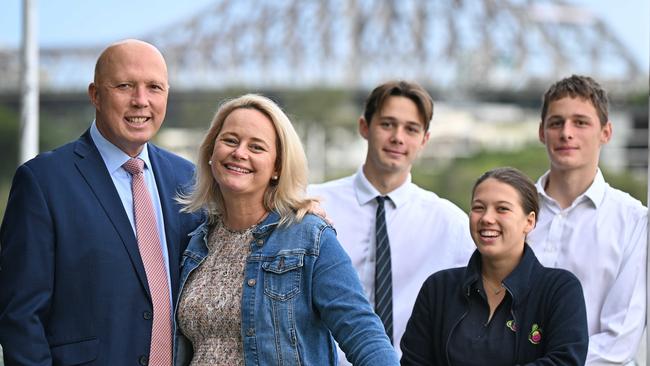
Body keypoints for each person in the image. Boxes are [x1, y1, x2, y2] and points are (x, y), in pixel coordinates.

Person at [0, 39, 200, 365]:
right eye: (125, 86)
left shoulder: (187, 180)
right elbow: (20, 317)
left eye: (154, 88)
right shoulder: (43, 182)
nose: (141, 101)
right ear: (95, 94)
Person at [173, 94, 398, 365]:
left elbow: (363, 334)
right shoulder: (198, 241)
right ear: (211, 151)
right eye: (230, 140)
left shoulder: (310, 237)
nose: (239, 153)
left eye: (256, 147)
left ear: (277, 167)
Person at [308, 80, 475, 362]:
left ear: (424, 140)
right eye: (387, 124)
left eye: (411, 129)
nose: (398, 137)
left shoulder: (451, 224)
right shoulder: (313, 204)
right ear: (364, 127)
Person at [401, 167, 589, 365]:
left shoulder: (559, 289)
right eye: (478, 208)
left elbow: (565, 361)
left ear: (529, 221)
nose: (487, 218)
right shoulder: (438, 288)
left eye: (502, 209)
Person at [527, 75, 647, 365]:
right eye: (556, 123)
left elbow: (618, 343)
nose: (567, 133)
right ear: (542, 132)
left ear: (606, 133)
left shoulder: (634, 221)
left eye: (580, 122)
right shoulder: (511, 210)